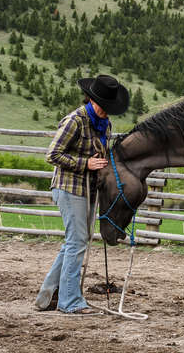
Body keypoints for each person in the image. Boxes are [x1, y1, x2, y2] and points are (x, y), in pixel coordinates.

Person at [35, 74, 129, 314]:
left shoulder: (105, 125)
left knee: (73, 243)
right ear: (92, 100)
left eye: (110, 109)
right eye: (104, 107)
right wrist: (84, 164)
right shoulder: (74, 121)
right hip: (69, 188)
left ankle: (47, 296)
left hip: (89, 189)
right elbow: (52, 155)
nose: (107, 113)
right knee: (77, 242)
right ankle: (70, 302)